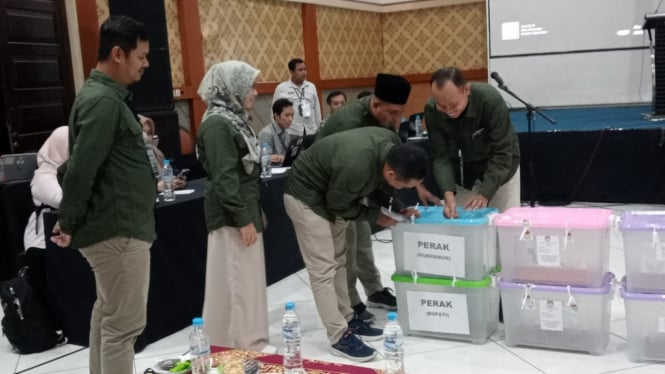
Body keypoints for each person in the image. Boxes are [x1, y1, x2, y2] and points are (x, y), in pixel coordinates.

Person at [51, 15, 156, 374]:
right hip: (118, 228)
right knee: (122, 326)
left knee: (108, 316)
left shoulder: (104, 96)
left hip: (116, 225)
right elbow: (80, 169)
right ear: (117, 53)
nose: (145, 64)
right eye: (140, 56)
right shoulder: (104, 102)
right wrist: (67, 220)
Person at [283, 126, 428, 362]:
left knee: (339, 260)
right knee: (323, 269)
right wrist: (377, 217)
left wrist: (398, 207)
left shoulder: (391, 146)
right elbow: (339, 204)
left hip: (334, 192)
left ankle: (348, 318)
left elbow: (379, 186)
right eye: (404, 186)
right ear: (392, 173)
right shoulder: (355, 166)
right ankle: (338, 336)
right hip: (306, 197)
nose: (403, 189)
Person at [317, 73, 439, 323]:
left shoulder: (384, 121)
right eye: (393, 113)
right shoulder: (347, 123)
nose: (397, 119)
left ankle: (374, 291)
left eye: (400, 112)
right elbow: (351, 171)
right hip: (335, 188)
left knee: (362, 240)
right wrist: (384, 208)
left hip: (360, 184)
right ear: (375, 105)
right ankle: (350, 303)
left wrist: (399, 205)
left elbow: (390, 167)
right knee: (346, 248)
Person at [196, 61, 274, 353]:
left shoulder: (234, 118)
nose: (254, 93)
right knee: (234, 280)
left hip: (243, 208)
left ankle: (250, 339)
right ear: (232, 89)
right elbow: (224, 178)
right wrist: (243, 219)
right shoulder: (218, 124)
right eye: (249, 87)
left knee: (249, 279)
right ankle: (235, 344)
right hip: (230, 215)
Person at [424, 67, 521, 218]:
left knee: (505, 224)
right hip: (466, 171)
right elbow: (440, 156)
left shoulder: (489, 99)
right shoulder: (431, 110)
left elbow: (503, 152)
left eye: (454, 105)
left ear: (467, 90)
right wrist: (448, 193)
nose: (448, 111)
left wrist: (485, 194)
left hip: (502, 168)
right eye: (441, 106)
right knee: (466, 227)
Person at [22, 126, 68, 301]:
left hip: (69, 241)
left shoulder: (74, 173)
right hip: (44, 246)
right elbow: (64, 201)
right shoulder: (44, 177)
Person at [272, 58, 322, 136]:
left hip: (311, 130)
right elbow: (274, 112)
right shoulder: (281, 88)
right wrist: (277, 132)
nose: (304, 72)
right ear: (292, 72)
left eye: (305, 69)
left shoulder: (311, 86)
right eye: (300, 70)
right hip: (292, 132)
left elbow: (317, 109)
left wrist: (319, 128)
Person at [258, 98, 294, 166]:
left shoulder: (286, 132)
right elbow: (265, 159)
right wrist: (282, 158)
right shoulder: (266, 133)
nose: (290, 119)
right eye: (287, 115)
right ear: (276, 115)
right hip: (272, 172)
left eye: (292, 115)